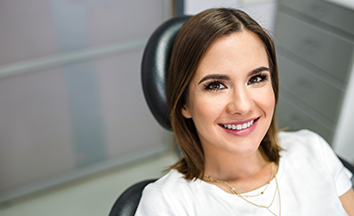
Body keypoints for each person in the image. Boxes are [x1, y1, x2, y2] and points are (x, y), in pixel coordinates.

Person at [135, 8, 354, 216]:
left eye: (256, 79)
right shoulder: (166, 204)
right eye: (215, 85)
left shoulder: (314, 150)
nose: (242, 106)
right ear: (184, 104)